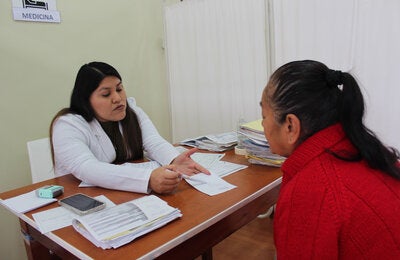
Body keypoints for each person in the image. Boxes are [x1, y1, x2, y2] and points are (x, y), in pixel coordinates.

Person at [260, 60, 400, 259]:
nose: (263, 125)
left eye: (264, 116)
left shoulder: (310, 190)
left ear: (290, 125)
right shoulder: (366, 148)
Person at [50, 61, 209, 194]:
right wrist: (147, 178)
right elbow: (88, 168)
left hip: (121, 194)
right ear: (86, 100)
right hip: (81, 199)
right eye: (106, 94)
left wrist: (175, 160)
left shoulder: (131, 111)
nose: (118, 98)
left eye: (119, 89)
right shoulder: (68, 125)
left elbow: (154, 142)